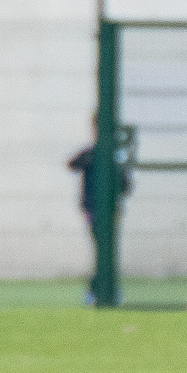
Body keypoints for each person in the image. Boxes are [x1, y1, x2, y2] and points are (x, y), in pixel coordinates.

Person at [67, 116, 132, 305]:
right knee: (101, 251)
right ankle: (98, 290)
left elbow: (126, 186)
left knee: (107, 252)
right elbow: (72, 164)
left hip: (112, 211)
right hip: (93, 210)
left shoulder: (115, 156)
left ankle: (104, 290)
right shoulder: (91, 154)